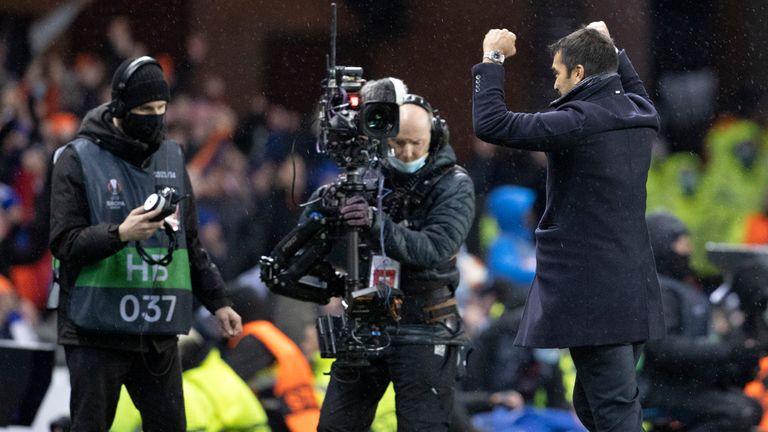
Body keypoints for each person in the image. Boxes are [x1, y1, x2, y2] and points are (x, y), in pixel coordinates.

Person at [472, 22, 664, 431]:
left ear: (578, 74)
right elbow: (627, 85)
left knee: (612, 410)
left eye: (558, 74)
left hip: (592, 294)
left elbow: (491, 125)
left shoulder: (578, 120)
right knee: (594, 404)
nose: (556, 85)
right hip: (632, 289)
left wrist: (492, 57)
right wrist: (610, 46)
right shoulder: (640, 114)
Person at [49, 56, 242, 431]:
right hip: (95, 332)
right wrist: (119, 234)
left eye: (161, 109)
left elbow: (189, 243)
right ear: (122, 108)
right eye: (145, 110)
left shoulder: (171, 156)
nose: (155, 118)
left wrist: (219, 302)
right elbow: (63, 242)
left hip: (156, 328)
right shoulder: (77, 159)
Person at [314, 84, 475, 431]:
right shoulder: (367, 176)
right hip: (367, 318)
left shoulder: (454, 184)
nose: (405, 151)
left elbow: (433, 249)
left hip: (425, 325)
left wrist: (376, 224)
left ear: (435, 137)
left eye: (416, 143)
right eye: (397, 142)